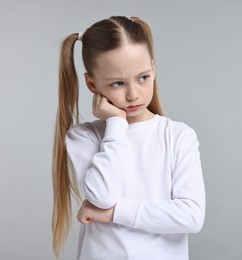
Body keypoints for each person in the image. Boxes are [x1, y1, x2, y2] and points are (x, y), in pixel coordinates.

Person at [52, 16, 205, 260]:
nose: (133, 94)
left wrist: (115, 214)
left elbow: (192, 216)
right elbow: (102, 197)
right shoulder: (84, 137)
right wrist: (116, 124)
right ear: (92, 84)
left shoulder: (178, 136)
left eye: (143, 77)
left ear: (153, 70)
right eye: (118, 83)